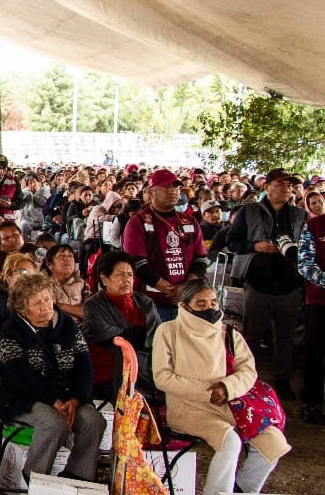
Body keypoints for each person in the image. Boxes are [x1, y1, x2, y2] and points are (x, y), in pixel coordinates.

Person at [152, 280, 291, 495]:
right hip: (188, 409)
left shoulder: (228, 333)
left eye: (213, 302)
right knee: (231, 441)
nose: (209, 308)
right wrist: (208, 392)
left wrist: (227, 388)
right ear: (184, 306)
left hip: (231, 406)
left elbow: (248, 371)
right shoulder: (168, 331)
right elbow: (162, 378)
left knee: (274, 444)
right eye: (201, 304)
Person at [0, 271, 105, 483]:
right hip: (24, 398)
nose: (45, 306)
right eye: (37, 303)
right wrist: (52, 399)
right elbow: (20, 378)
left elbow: (85, 369)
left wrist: (76, 398)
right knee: (54, 424)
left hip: (66, 395)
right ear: (22, 308)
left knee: (94, 421)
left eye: (47, 299)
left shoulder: (69, 327)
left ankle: (78, 476)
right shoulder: (11, 331)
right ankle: (35, 478)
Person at [226, 168, 306, 401]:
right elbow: (232, 242)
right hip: (257, 284)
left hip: (289, 284)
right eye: (279, 184)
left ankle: (282, 380)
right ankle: (248, 381)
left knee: (285, 336)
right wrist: (256, 246)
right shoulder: (249, 211)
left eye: (289, 185)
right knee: (252, 335)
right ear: (267, 187)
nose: (285, 189)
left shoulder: (299, 215)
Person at [121, 169, 208, 321]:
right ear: (151, 192)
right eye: (166, 187)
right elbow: (137, 263)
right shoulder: (138, 222)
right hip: (152, 304)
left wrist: (184, 289)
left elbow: (200, 259)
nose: (172, 192)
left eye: (176, 188)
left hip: (188, 303)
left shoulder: (190, 221)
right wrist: (170, 290)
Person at [80, 250, 163, 401]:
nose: (127, 280)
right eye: (120, 274)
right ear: (105, 279)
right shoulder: (94, 304)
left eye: (130, 275)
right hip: (110, 371)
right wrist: (134, 336)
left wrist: (136, 338)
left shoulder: (144, 302)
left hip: (145, 364)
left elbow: (158, 335)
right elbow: (98, 332)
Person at [297, 202, 325, 424]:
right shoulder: (313, 226)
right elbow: (305, 264)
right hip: (319, 302)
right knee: (316, 353)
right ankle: (312, 402)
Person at [43, 243, 86, 320]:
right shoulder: (43, 286)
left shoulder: (83, 284)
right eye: (61, 256)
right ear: (50, 264)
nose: (67, 259)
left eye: (70, 256)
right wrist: (75, 309)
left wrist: (61, 306)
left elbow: (87, 312)